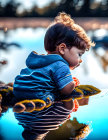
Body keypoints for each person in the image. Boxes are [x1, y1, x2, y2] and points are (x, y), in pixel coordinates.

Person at [13, 12, 97, 140]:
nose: (80, 60)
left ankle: (34, 134)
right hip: (41, 110)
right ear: (62, 48)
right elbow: (67, 90)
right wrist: (73, 85)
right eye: (79, 54)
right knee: (68, 108)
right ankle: (37, 132)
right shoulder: (60, 64)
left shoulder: (41, 61)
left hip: (20, 98)